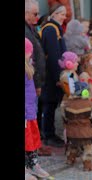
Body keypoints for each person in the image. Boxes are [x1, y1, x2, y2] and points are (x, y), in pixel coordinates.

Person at [58, 52, 92, 171]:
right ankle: (87, 163)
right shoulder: (67, 76)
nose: (77, 64)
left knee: (74, 141)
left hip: (73, 113)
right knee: (87, 144)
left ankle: (70, 158)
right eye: (75, 61)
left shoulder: (70, 74)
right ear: (69, 63)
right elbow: (71, 93)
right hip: (80, 118)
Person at [25, 0, 52, 156]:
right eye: (35, 13)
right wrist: (36, 83)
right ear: (26, 13)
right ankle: (31, 149)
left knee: (34, 115)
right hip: (30, 81)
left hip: (35, 80)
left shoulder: (31, 28)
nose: (37, 17)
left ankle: (35, 145)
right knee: (30, 116)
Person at [39, 3, 67, 147]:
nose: (64, 16)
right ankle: (48, 135)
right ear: (54, 14)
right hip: (51, 74)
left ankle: (47, 133)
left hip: (52, 73)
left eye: (65, 14)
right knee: (49, 104)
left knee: (50, 104)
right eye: (61, 14)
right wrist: (58, 77)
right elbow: (53, 55)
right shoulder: (51, 29)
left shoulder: (54, 28)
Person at [25, 38, 50, 179]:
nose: (31, 54)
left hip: (30, 110)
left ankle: (33, 164)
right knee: (25, 139)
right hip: (25, 112)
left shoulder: (29, 66)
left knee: (32, 139)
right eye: (29, 52)